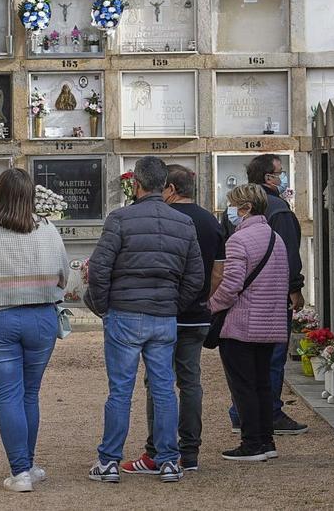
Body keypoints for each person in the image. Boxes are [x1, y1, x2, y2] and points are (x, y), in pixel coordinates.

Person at [84, 156, 204, 484]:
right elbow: (196, 276)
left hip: (124, 313)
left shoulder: (120, 219)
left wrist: (105, 307)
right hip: (163, 316)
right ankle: (168, 461)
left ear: (135, 183)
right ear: (164, 184)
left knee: (121, 390)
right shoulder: (183, 223)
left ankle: (109, 462)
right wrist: (173, 305)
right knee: (164, 389)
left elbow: (100, 270)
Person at [0, 168, 69, 493]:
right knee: (30, 394)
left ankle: (19, 473)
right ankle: (29, 465)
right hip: (41, 319)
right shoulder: (48, 230)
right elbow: (63, 274)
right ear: (31, 195)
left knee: (8, 395)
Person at [121, 164, 224, 475]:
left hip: (164, 312)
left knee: (158, 383)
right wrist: (202, 299)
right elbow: (218, 271)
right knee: (191, 382)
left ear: (169, 189)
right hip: (197, 315)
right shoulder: (210, 221)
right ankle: (190, 452)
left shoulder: (166, 219)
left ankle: (156, 452)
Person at [223, 154, 308, 436]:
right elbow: (288, 255)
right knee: (270, 359)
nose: (283, 179)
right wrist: (295, 288)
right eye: (280, 173)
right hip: (270, 297)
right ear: (268, 179)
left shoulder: (236, 213)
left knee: (248, 365)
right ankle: (268, 413)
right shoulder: (278, 210)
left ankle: (244, 413)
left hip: (243, 300)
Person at [211, 184, 290, 461]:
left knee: (242, 386)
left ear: (245, 208)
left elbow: (230, 285)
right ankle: (266, 441)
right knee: (262, 384)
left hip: (241, 325)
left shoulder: (238, 241)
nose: (229, 211)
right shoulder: (275, 238)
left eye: (233, 205)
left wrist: (211, 306)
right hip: (269, 324)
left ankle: (251, 444)